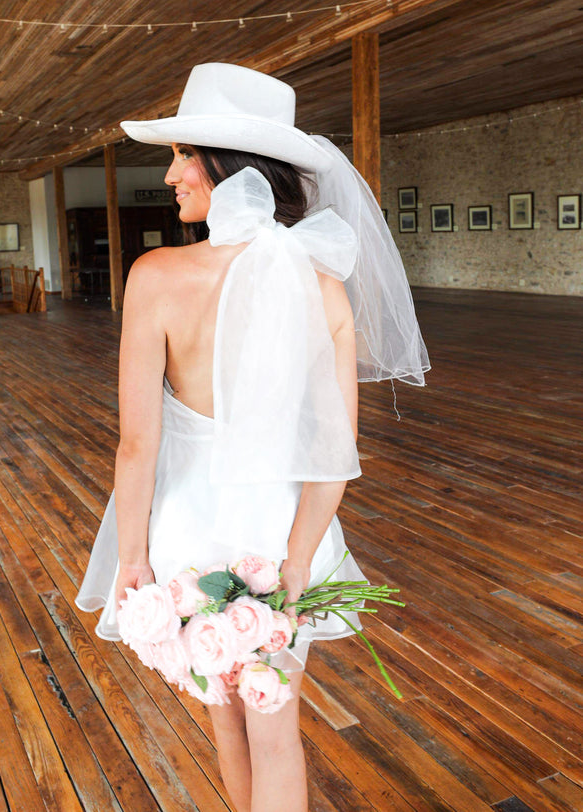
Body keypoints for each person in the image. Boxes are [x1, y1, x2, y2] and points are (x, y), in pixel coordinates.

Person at [76, 63, 429, 812]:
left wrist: (131, 559)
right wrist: (299, 562)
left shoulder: (156, 276)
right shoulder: (321, 285)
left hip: (186, 528)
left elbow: (137, 446)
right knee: (276, 730)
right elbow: (335, 455)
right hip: (279, 532)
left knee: (225, 722)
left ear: (230, 167)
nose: (169, 174)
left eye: (183, 154)